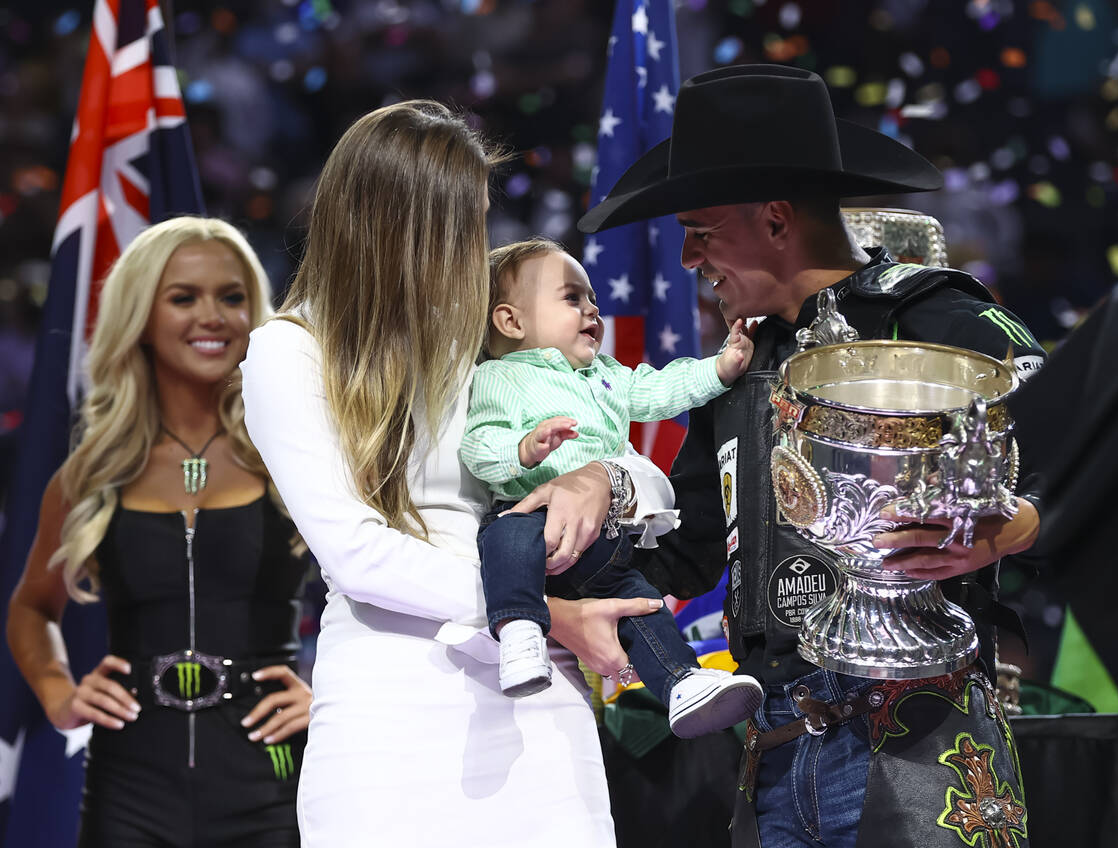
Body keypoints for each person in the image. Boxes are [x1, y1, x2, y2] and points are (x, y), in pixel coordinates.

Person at [578, 65, 1046, 848]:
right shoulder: (734, 372)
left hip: (923, 742)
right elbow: (685, 552)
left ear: (775, 218)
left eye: (702, 229)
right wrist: (563, 575)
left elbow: (1096, 455)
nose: (692, 258)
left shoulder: (932, 318)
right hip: (775, 756)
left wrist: (1012, 526)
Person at [239, 100, 677, 847]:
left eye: (476, 221)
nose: (474, 249)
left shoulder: (493, 343)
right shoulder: (289, 351)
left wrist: (601, 479)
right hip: (392, 709)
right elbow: (355, 553)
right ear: (389, 222)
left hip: (539, 695)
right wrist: (543, 613)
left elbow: (652, 483)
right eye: (457, 225)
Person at [6, 216, 313, 847]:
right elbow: (31, 607)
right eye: (183, 298)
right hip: (129, 784)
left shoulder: (297, 453)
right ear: (140, 317)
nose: (214, 317)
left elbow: (379, 594)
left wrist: (334, 698)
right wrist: (59, 692)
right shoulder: (91, 472)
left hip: (276, 776)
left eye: (232, 297)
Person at [459, 237, 762, 737]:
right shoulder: (500, 378)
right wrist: (523, 449)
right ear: (511, 322)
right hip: (534, 515)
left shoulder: (605, 375)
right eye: (572, 298)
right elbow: (478, 445)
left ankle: (682, 683)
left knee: (640, 605)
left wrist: (719, 367)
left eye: (593, 299)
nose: (592, 310)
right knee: (504, 534)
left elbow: (662, 389)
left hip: (606, 539)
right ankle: (518, 632)